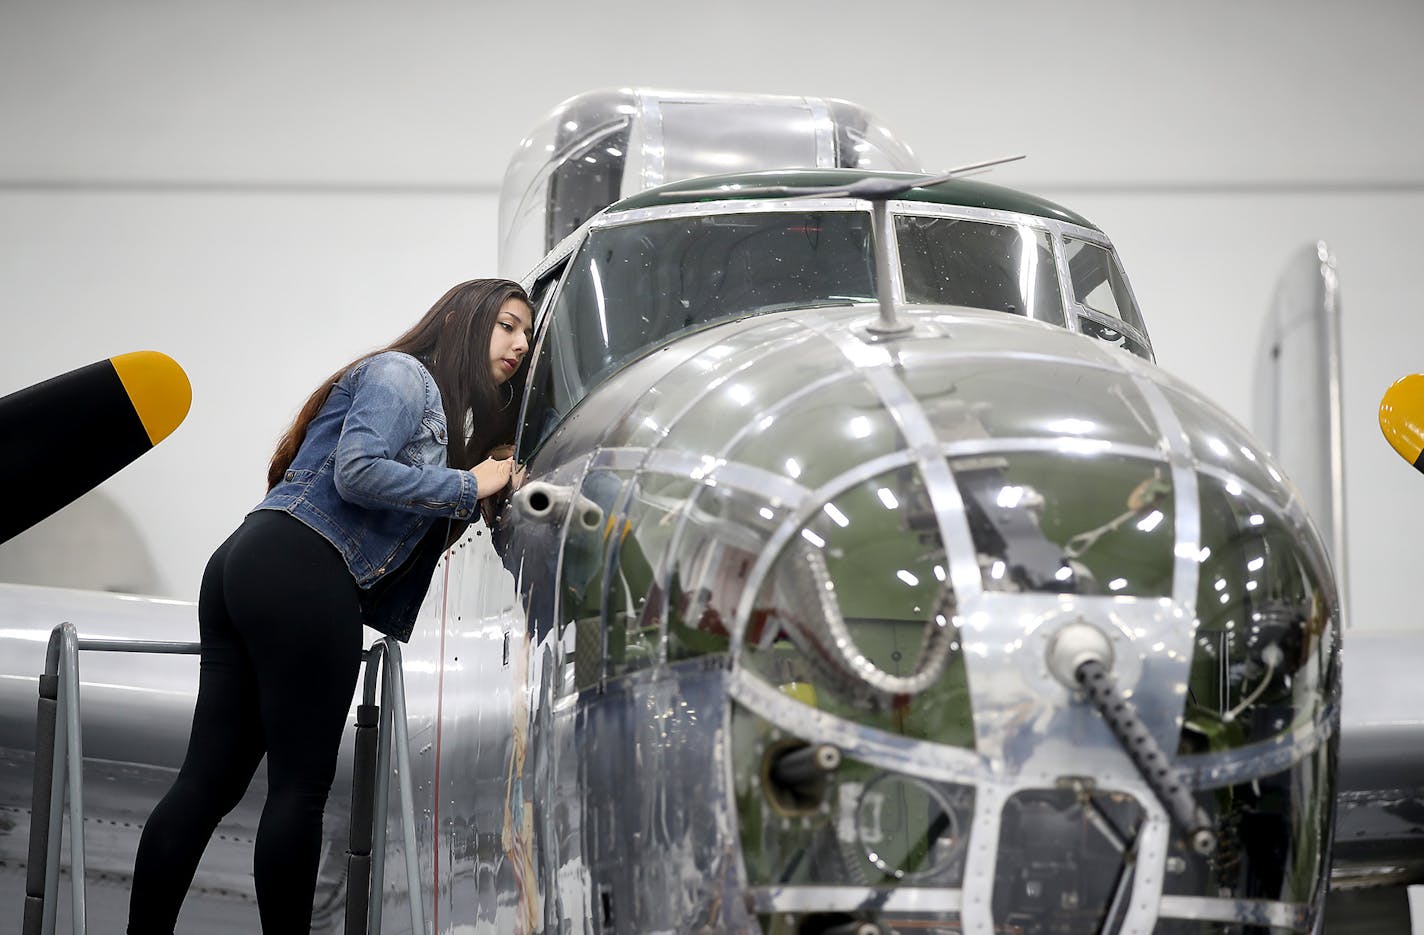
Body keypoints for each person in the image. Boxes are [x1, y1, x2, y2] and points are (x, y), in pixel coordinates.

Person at [127, 278, 535, 934]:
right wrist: (470, 481)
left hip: (252, 557)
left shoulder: (424, 401)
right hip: (304, 569)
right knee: (298, 790)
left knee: (207, 784)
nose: (519, 343)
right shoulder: (406, 376)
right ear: (462, 318)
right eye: (507, 325)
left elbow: (395, 508)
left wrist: (476, 485)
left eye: (526, 333)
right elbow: (358, 471)